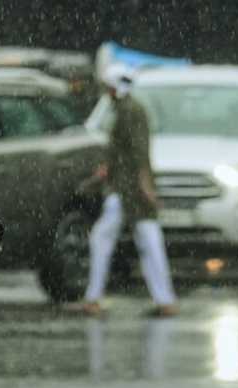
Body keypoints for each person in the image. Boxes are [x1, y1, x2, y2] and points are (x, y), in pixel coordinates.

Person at [79, 65, 177, 318]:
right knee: (147, 241)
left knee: (109, 239)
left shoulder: (130, 111)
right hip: (128, 189)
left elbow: (138, 153)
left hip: (128, 190)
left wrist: (145, 187)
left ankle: (94, 297)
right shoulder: (128, 109)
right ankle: (164, 299)